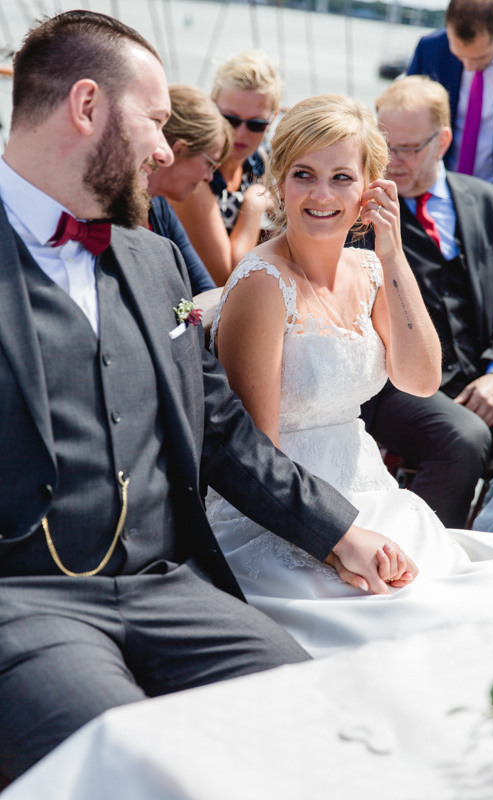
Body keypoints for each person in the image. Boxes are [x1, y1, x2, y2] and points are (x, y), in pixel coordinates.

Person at [0, 12, 412, 781]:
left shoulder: (155, 261)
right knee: (139, 765)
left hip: (170, 587)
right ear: (86, 107)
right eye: (155, 120)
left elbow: (223, 431)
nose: (167, 149)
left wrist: (339, 533)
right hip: (23, 600)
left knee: (322, 722)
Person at [205, 93, 493, 658]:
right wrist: (338, 542)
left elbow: (422, 379)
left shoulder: (369, 268)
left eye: (342, 177)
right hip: (284, 518)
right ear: (280, 180)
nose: (322, 195)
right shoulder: (263, 285)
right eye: (304, 175)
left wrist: (393, 254)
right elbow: (256, 456)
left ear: (371, 187)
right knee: (414, 631)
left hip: (372, 495)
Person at [360, 75, 493, 528]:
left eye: (408, 149)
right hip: (398, 385)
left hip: (481, 376)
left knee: (479, 423)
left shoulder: (488, 202)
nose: (391, 161)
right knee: (462, 437)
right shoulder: (359, 209)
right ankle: (432, 566)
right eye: (383, 145)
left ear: (443, 141)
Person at [407, 0, 493, 264]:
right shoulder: (430, 49)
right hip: (432, 208)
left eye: (479, 58)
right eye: (459, 55)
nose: (468, 67)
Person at [172, 51, 281, 285]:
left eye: (256, 124)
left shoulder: (261, 161)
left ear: (272, 119)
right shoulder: (198, 174)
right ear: (212, 107)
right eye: (230, 119)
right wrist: (255, 202)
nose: (240, 134)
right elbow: (229, 277)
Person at [147, 83, 233, 294]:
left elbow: (205, 289)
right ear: (179, 150)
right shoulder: (116, 210)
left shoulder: (160, 207)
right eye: (209, 163)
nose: (209, 177)